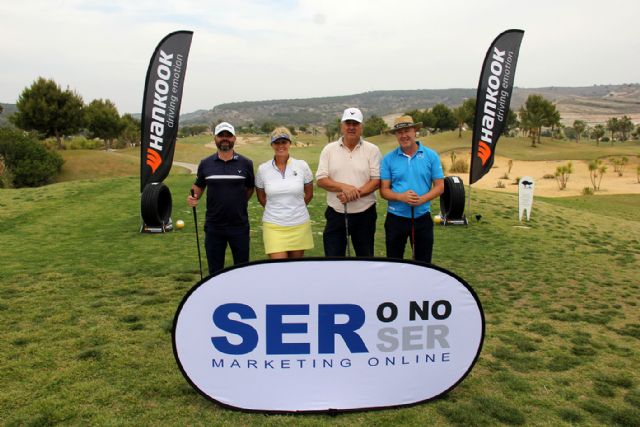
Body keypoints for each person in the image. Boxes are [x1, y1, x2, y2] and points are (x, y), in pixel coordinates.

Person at [187, 122, 255, 274]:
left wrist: (239, 202)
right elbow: (199, 185)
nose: (225, 139)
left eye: (228, 136)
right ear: (215, 138)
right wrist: (193, 196)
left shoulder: (246, 163)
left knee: (242, 268)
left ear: (234, 138)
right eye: (221, 135)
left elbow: (250, 188)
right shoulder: (205, 164)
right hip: (214, 227)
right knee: (215, 270)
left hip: (239, 226)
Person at [316, 107, 382, 257]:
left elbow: (376, 181)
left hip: (365, 215)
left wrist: (353, 194)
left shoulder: (372, 150)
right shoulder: (329, 149)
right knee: (334, 258)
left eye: (355, 123)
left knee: (365, 259)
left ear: (361, 127)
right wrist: (343, 187)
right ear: (342, 126)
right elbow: (321, 180)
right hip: (336, 213)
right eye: (348, 123)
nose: (351, 127)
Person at [380, 115, 444, 264]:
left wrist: (422, 199)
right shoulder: (388, 159)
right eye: (399, 132)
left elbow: (440, 186)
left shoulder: (431, 156)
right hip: (395, 218)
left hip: (422, 218)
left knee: (423, 264)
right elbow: (384, 190)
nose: (404, 135)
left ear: (415, 131)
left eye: (407, 130)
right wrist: (401, 197)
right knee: (394, 263)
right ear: (396, 135)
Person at [255, 127, 314, 259]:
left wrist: (296, 208)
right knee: (279, 268)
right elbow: (261, 197)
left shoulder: (302, 166)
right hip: (273, 226)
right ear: (272, 145)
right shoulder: (263, 169)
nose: (281, 146)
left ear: (290, 143)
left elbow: (309, 194)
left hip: (299, 225)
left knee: (295, 269)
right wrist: (275, 210)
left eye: (284, 142)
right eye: (277, 143)